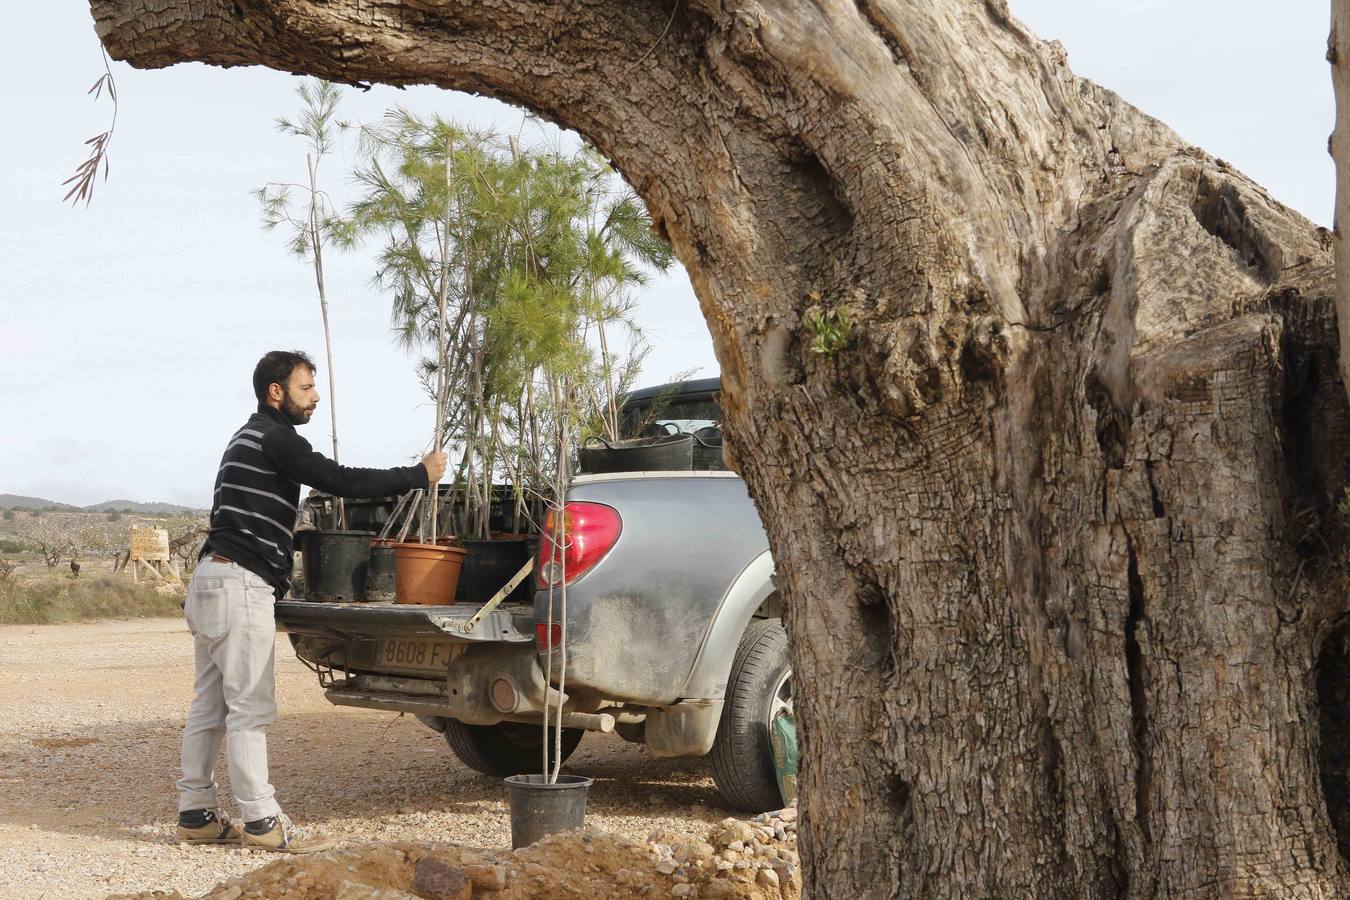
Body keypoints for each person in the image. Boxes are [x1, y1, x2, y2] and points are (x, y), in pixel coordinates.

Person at [174, 350, 447, 852]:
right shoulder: (277, 438)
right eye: (306, 388)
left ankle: (196, 813)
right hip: (240, 585)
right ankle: (261, 821)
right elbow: (340, 481)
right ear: (275, 392)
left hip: (211, 577)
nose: (316, 397)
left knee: (210, 706)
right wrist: (417, 475)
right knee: (250, 709)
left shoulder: (246, 437)